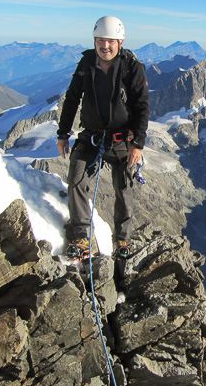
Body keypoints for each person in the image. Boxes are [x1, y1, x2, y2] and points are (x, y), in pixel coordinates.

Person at [57, 16, 149, 260]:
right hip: (92, 136)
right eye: (100, 41)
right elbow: (72, 98)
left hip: (122, 139)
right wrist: (63, 134)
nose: (104, 46)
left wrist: (137, 143)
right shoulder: (86, 64)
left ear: (120, 42)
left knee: (124, 188)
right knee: (76, 177)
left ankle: (121, 240)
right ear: (94, 41)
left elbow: (141, 105)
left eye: (110, 41)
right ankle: (81, 237)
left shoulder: (132, 67)